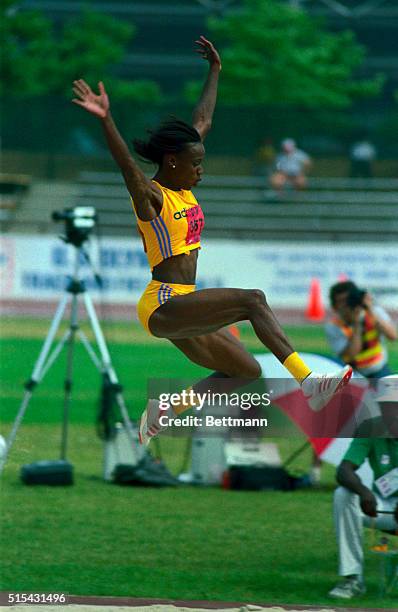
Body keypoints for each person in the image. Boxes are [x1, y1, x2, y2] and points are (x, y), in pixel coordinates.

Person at [72, 36, 352, 446]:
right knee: (253, 300)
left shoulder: (183, 185)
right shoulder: (152, 196)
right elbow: (127, 167)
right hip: (164, 302)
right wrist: (105, 120)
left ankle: (165, 409)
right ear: (172, 162)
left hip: (183, 299)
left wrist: (215, 71)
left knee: (246, 373)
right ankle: (309, 382)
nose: (201, 171)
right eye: (196, 164)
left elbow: (201, 121)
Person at [329, 375, 398, 600]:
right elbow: (344, 470)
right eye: (386, 406)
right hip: (384, 505)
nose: (391, 412)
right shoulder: (371, 427)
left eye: (395, 406)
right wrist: (364, 492)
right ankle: (352, 578)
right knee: (343, 495)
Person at [325, 281, 397, 381]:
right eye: (341, 301)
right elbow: (351, 355)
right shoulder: (334, 326)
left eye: (348, 299)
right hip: (352, 373)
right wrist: (357, 323)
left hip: (379, 369)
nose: (346, 305)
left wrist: (370, 308)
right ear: (334, 307)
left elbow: (393, 336)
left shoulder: (373, 312)